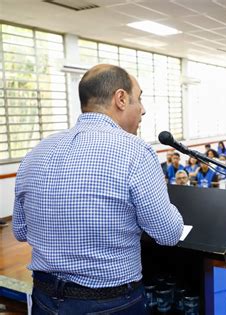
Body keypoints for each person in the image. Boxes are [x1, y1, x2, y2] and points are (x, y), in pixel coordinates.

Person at [12, 64, 183, 314]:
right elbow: (168, 234)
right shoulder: (136, 152)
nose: (143, 109)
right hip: (111, 303)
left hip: (44, 299)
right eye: (140, 98)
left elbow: (20, 230)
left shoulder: (36, 152)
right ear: (121, 98)